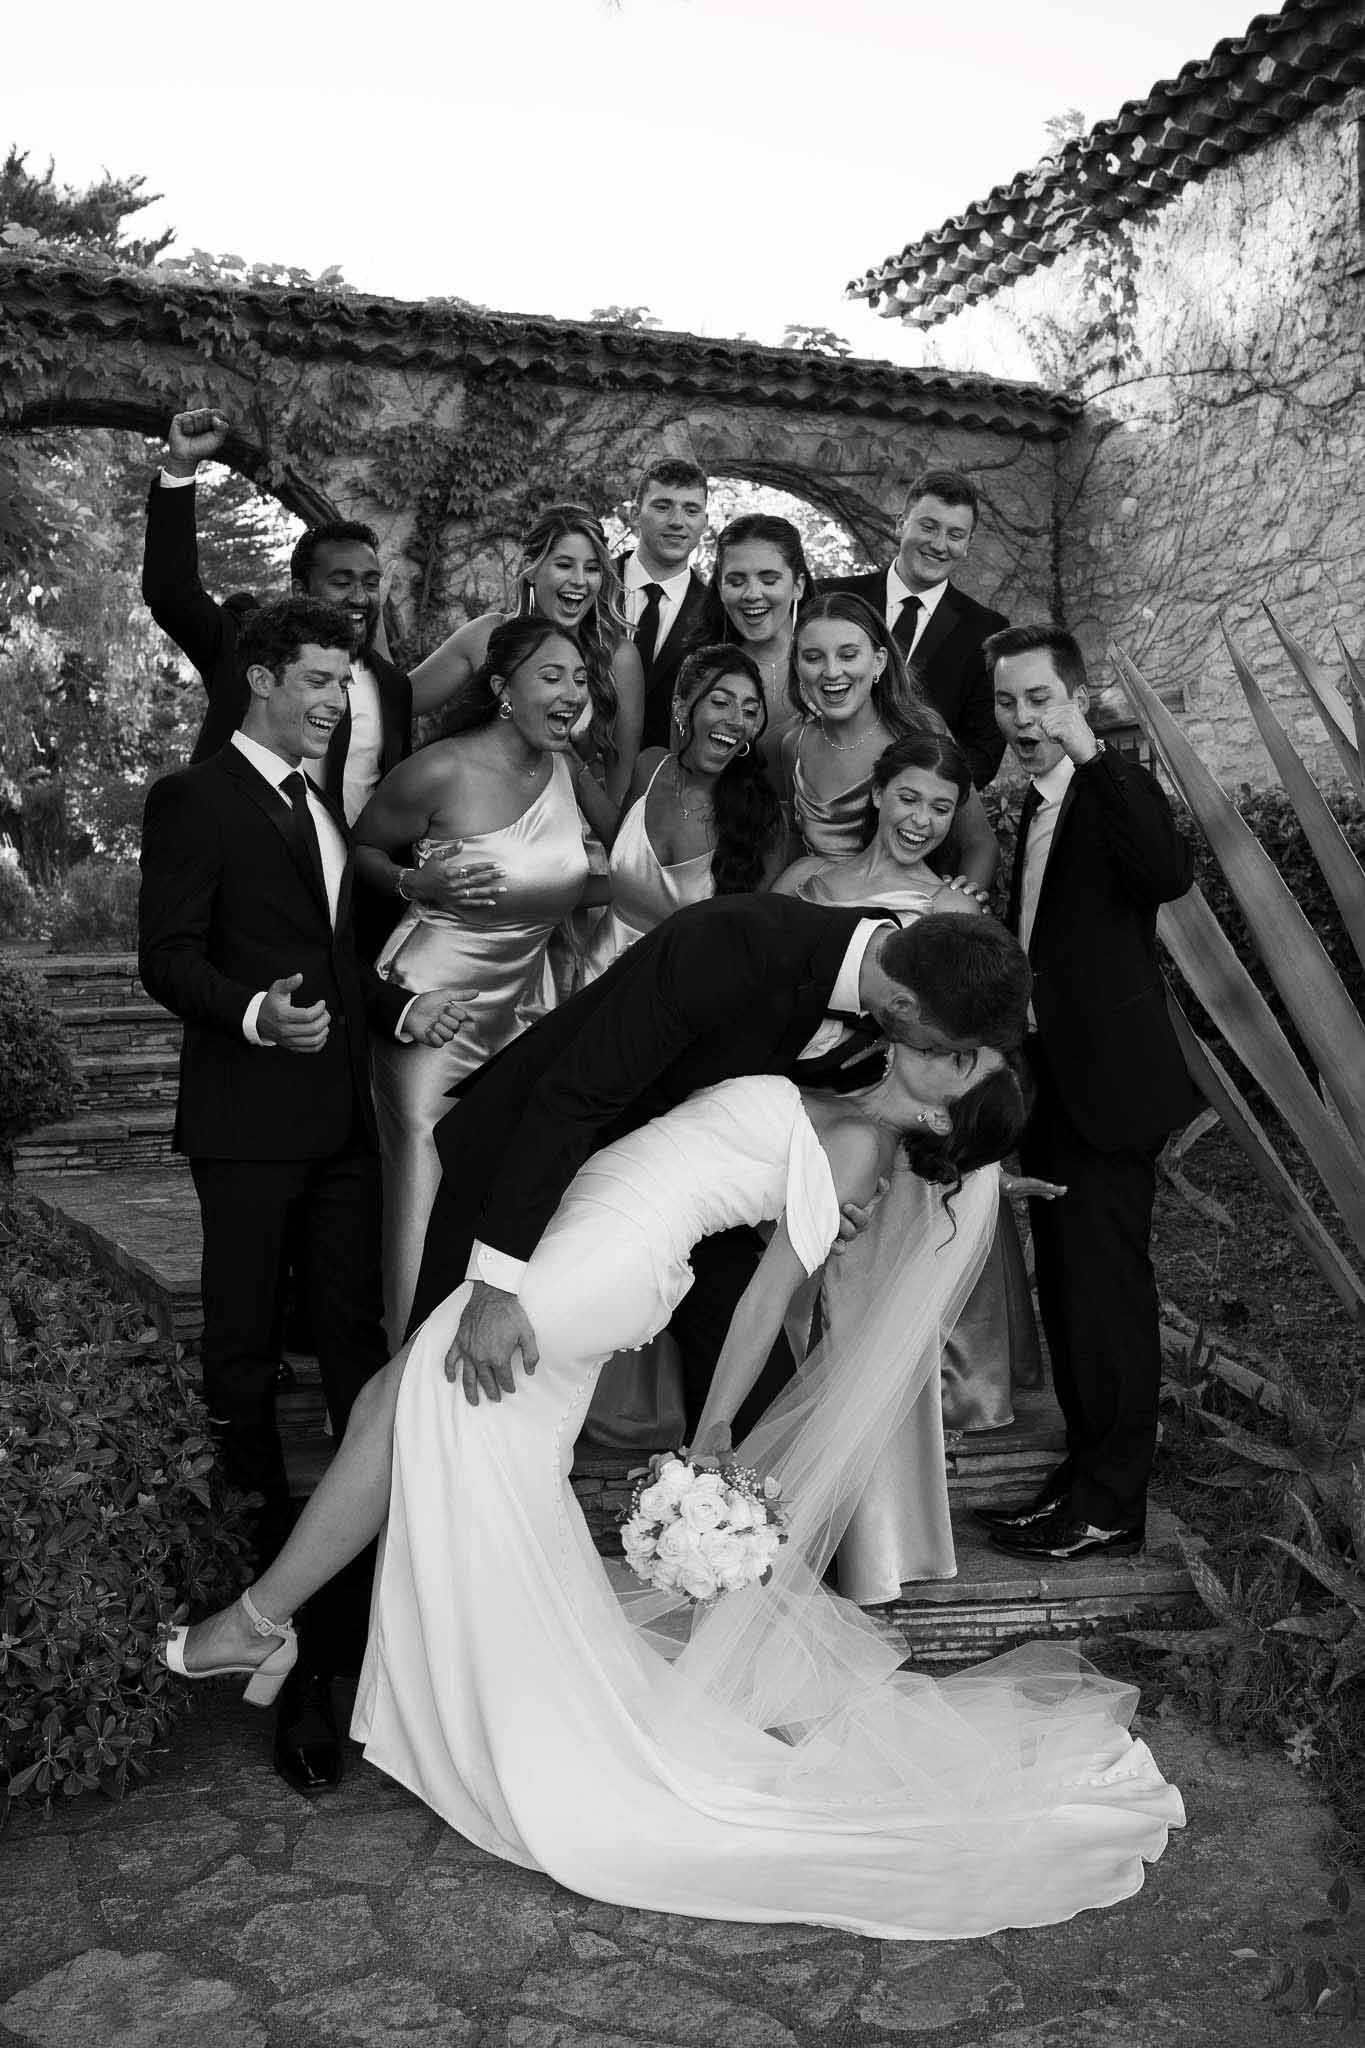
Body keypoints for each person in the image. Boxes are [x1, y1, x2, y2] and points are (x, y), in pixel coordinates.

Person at [164, 1042, 1182, 1938]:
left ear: (943, 1114)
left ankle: (289, 1632)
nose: (947, 1049)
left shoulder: (863, 1149)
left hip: (604, 1259)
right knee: (444, 1431)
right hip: (598, 1236)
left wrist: (709, 1438)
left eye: (964, 1066)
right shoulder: (846, 1083)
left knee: (421, 1401)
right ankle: (413, 1671)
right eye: (961, 1045)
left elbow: (769, 1300)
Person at [138, 596, 468, 1790]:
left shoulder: (319, 799)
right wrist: (249, 1012)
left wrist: (394, 1006)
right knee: (237, 1363)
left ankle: (332, 1650)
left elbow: (335, 953)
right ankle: (245, 1598)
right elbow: (163, 951)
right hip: (245, 1128)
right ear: (262, 676)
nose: (338, 698)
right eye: (320, 678)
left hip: (342, 1131)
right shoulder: (194, 796)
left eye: (343, 678)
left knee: (352, 1364)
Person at [407, 899, 1034, 1432]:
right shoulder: (729, 944)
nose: (941, 1059)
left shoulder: (899, 1004)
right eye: (946, 1049)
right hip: (523, 1163)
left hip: (675, 1203)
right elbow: (573, 1100)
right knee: (430, 1387)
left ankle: (727, 1534)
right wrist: (494, 1284)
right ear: (901, 1004)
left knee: (762, 1404)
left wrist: (817, 1202)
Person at [775, 730, 1046, 1596]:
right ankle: (779, 1524)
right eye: (908, 798)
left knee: (877, 1330)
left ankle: (882, 1544)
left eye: (940, 806)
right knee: (793, 1315)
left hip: (906, 1141)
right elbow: (766, 999)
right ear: (876, 794)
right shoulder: (803, 888)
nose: (922, 819)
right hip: (817, 1123)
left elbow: (987, 1048)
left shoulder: (957, 911)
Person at [980, 624, 1199, 1563]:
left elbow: (1166, 872)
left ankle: (1112, 1502)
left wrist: (1089, 751)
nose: (1022, 719)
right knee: (1068, 1292)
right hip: (1052, 1087)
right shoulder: (1029, 807)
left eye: (1038, 698)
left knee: (1108, 1296)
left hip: (1109, 1090)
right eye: (1006, 702)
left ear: (1073, 697)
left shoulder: (1110, 787)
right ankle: (1083, 1475)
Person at [352, 619, 612, 1344]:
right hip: (436, 1002)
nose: (571, 692)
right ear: (502, 690)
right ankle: (405, 1370)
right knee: (423, 1181)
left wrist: (583, 763)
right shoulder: (441, 770)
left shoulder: (562, 770)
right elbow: (361, 848)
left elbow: (620, 868)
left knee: (502, 1182)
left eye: (580, 679)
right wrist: (414, 876)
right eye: (551, 676)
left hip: (524, 1004)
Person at [142, 408, 421, 958]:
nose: (360, 598)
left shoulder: (391, 687)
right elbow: (171, 591)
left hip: (356, 916)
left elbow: (393, 807)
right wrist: (179, 467)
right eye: (341, 582)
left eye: (369, 582)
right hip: (249, 907)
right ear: (300, 586)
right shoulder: (246, 650)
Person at [408, 504, 643, 806]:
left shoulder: (618, 657)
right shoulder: (487, 636)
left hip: (572, 832)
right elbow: (397, 700)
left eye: (593, 568)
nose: (580, 580)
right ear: (532, 569)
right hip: (478, 817)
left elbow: (621, 786)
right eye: (564, 565)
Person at [581, 644, 786, 984]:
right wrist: (574, 768)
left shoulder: (763, 821)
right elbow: (621, 850)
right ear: (680, 707)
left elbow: (743, 947)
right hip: (592, 981)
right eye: (720, 702)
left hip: (677, 1002)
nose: (736, 721)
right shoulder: (649, 767)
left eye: (750, 711)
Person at [779, 591, 998, 891]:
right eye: (813, 657)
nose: (831, 672)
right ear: (797, 666)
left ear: (879, 661)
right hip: (820, 910)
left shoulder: (920, 731)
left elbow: (979, 841)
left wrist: (961, 906)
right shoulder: (794, 743)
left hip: (901, 915)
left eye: (848, 655)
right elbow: (792, 839)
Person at [825, 469, 1007, 788]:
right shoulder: (833, 598)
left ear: (968, 543)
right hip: (824, 790)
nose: (939, 545)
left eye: (955, 534)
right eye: (928, 526)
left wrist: (924, 794)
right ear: (900, 523)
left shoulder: (986, 631)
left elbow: (983, 753)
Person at [690, 514, 813, 753]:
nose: (752, 594)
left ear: (798, 585)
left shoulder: (836, 666)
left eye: (769, 580)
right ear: (719, 588)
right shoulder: (703, 670)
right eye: (736, 582)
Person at [614, 456, 711, 748]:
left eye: (691, 510)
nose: (677, 522)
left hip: (666, 778)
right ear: (634, 515)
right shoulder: (589, 588)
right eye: (662, 506)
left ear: (704, 522)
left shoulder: (714, 613)